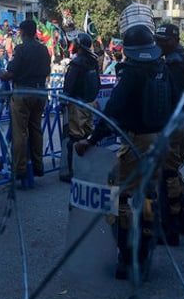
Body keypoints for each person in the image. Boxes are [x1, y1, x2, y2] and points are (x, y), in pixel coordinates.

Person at [75, 24, 175, 279]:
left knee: (118, 196)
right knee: (148, 195)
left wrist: (92, 139)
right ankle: (144, 255)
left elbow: (114, 110)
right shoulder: (161, 68)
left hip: (137, 141)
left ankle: (129, 257)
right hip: (161, 138)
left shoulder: (132, 73)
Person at [155, 24, 184, 246]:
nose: (158, 43)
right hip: (176, 123)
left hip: (172, 124)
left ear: (175, 40)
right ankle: (183, 220)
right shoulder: (176, 60)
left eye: (163, 40)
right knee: (173, 174)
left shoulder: (176, 64)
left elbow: (169, 97)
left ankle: (170, 228)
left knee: (167, 175)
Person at [0, 19, 51, 180]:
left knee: (20, 131)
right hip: (41, 92)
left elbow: (11, 72)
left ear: (22, 32)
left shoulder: (20, 49)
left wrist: (3, 75)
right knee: (36, 129)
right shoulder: (44, 49)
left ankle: (20, 168)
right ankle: (38, 165)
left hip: (23, 93)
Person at [60, 32, 100, 182]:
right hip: (90, 103)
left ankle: (73, 171)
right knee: (88, 137)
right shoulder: (93, 61)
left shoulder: (77, 63)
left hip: (77, 104)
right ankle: (87, 169)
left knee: (75, 138)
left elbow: (69, 84)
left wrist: (63, 101)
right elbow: (98, 83)